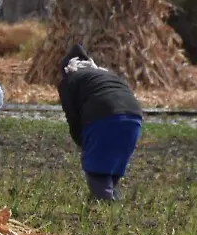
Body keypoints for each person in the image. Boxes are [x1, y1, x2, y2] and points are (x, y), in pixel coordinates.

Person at [57, 44, 143, 201]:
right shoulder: (103, 74)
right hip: (134, 117)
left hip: (103, 115)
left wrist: (82, 143)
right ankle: (109, 201)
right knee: (113, 166)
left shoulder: (69, 80)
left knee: (96, 167)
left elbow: (72, 117)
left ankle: (103, 203)